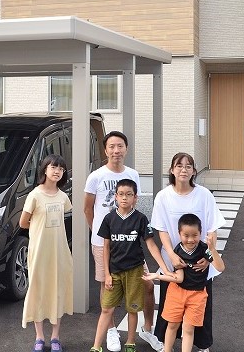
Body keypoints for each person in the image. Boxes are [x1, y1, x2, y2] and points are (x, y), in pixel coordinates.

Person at [85, 131, 163, 352]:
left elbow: (136, 209)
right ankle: (110, 331)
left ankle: (147, 329)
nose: (116, 150)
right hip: (105, 243)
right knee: (106, 284)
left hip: (129, 244)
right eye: (111, 146)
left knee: (147, 283)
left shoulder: (133, 174)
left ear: (126, 149)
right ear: (105, 150)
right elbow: (87, 208)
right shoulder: (96, 176)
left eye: (120, 146)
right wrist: (100, 233)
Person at [150, 153, 226, 352]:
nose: (184, 170)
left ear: (194, 171)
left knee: (200, 305)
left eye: (188, 166)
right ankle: (166, 344)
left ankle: (202, 345)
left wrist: (208, 258)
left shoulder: (204, 195)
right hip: (174, 263)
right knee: (170, 306)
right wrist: (171, 255)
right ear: (172, 170)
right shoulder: (163, 196)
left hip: (199, 262)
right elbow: (161, 230)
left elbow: (212, 228)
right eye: (179, 165)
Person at [91, 179, 171, 352]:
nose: (124, 198)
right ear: (115, 197)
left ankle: (130, 343)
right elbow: (106, 246)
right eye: (121, 194)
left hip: (135, 271)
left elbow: (150, 244)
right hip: (114, 272)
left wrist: (164, 268)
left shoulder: (141, 219)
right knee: (107, 308)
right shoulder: (109, 218)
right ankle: (96, 346)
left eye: (129, 195)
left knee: (132, 308)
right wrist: (106, 274)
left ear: (135, 198)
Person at [143, 214, 225, 352]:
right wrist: (157, 276)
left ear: (200, 233)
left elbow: (220, 267)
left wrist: (212, 249)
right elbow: (179, 278)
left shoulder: (204, 249)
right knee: (172, 325)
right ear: (179, 234)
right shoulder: (178, 250)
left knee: (188, 328)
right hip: (176, 293)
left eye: (195, 235)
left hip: (197, 295)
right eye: (186, 235)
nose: (190, 239)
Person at [20, 154, 73, 352]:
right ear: (44, 169)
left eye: (61, 168)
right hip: (39, 252)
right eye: (53, 167)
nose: (57, 171)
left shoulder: (63, 196)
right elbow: (23, 222)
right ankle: (40, 337)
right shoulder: (34, 195)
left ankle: (56, 337)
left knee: (57, 291)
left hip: (59, 252)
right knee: (38, 291)